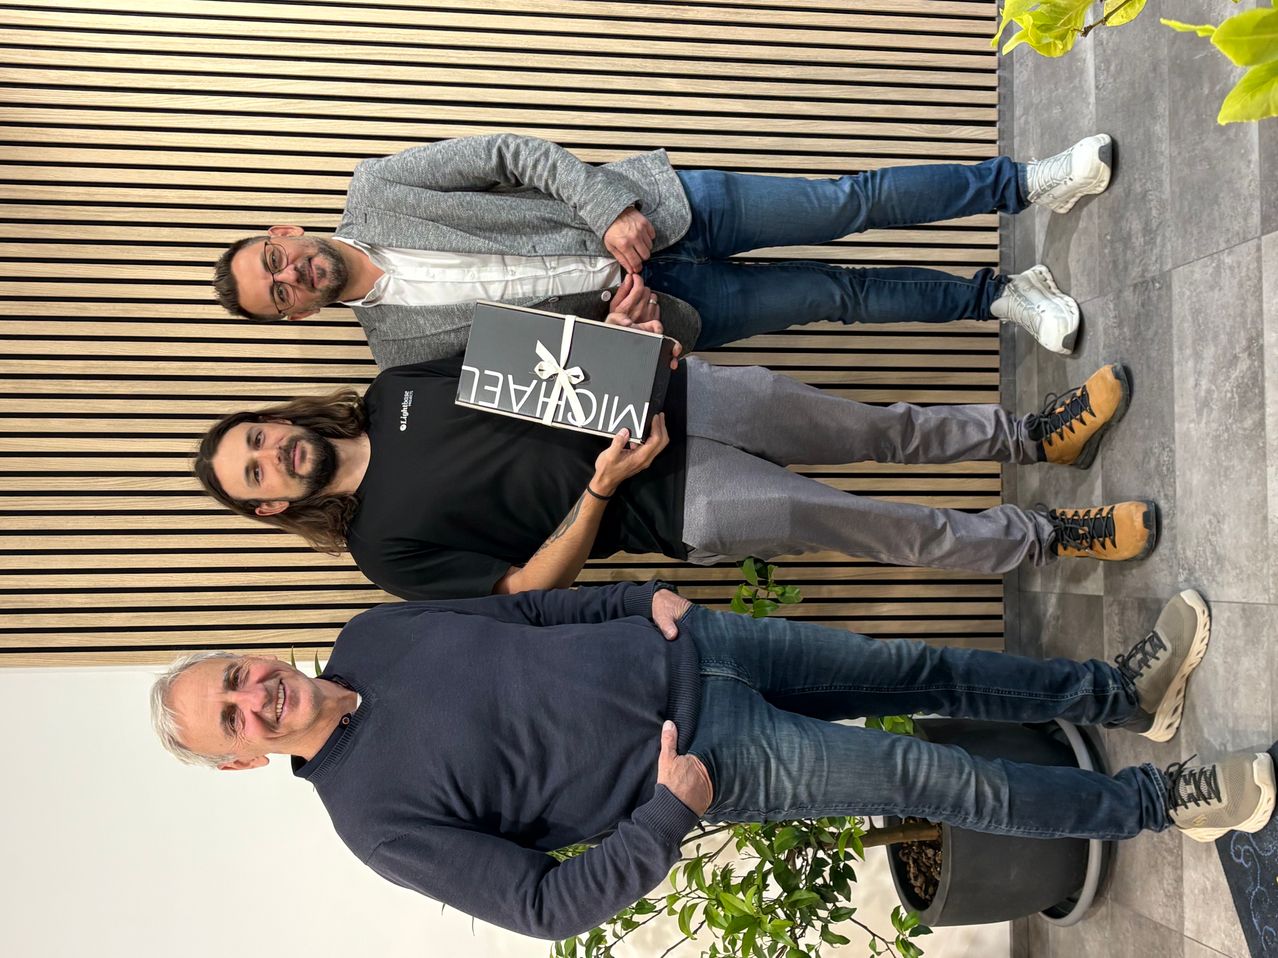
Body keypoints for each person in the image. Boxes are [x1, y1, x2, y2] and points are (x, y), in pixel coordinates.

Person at [150, 583, 1275, 940]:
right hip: (716, 760)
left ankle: (1118, 694)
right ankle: (1159, 802)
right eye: (233, 720)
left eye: (236, 676)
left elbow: (524, 614)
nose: (256, 696)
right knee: (941, 782)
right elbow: (544, 907)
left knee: (920, 666)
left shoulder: (368, 632)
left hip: (701, 645)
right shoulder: (371, 819)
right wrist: (667, 812)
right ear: (243, 761)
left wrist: (635, 598)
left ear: (251, 652)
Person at [192, 351, 1156, 600]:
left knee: (878, 425)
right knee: (878, 524)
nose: (274, 451)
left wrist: (638, 356)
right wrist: (603, 487)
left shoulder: (392, 387)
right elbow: (523, 586)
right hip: (671, 502)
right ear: (270, 505)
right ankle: (1052, 538)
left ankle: (1038, 437)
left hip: (677, 398)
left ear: (277, 418)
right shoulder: (379, 551)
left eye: (259, 435)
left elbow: (526, 360)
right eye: (255, 471)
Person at [210, 132, 1115, 366]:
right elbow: (538, 370)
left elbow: (508, 155)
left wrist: (606, 207)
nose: (291, 277)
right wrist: (626, 336)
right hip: (664, 309)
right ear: (295, 317)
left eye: (274, 261)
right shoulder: (397, 353)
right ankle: (999, 297)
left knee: (847, 202)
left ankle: (1027, 182)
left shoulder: (377, 188)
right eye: (278, 295)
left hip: (663, 210)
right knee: (838, 297)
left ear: (283, 233)